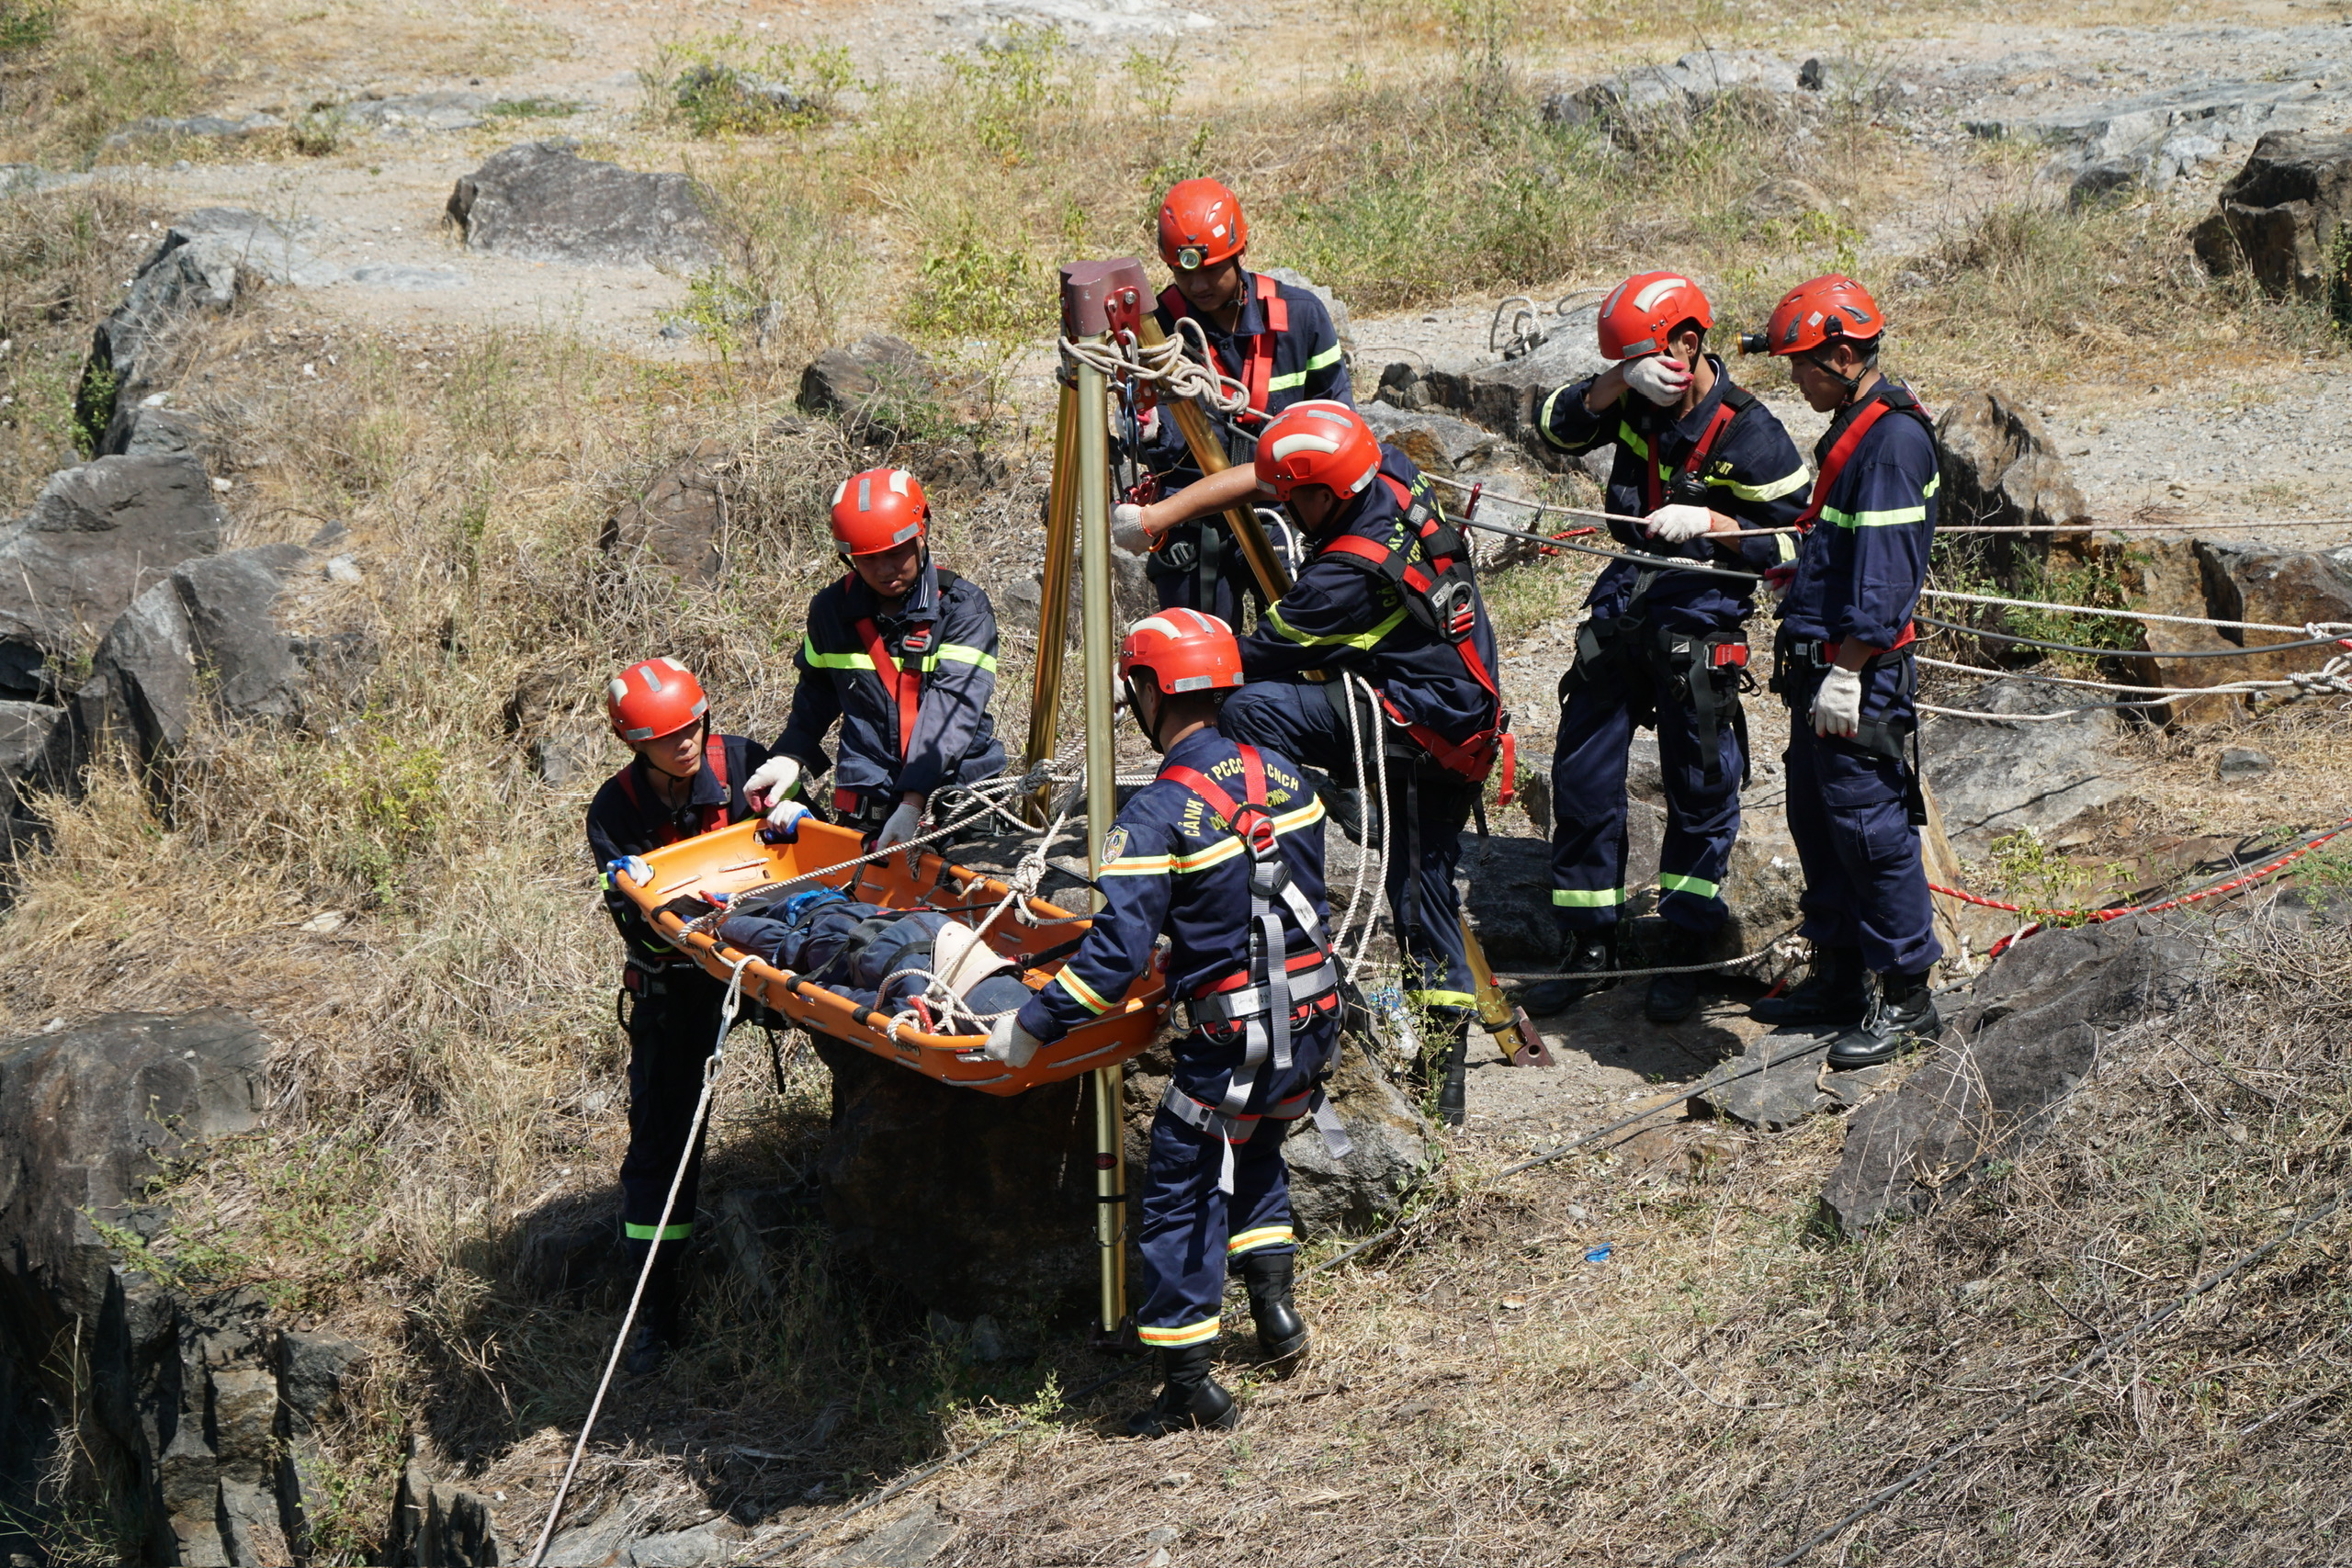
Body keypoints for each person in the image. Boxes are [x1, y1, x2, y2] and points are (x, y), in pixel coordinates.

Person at [983, 609, 1344, 1437]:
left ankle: (1188, 1384)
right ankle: (1276, 1314)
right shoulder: (1289, 778)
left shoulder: (1153, 814)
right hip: (1313, 1020)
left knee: (1184, 1183)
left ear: (1148, 692)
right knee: (1256, 1142)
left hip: (1232, 1037)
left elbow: (1111, 963)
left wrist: (1031, 1024)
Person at [1519, 272, 1813, 1023]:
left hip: (1701, 605)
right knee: (1582, 770)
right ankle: (1591, 942)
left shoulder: (1751, 433)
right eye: (1626, 363)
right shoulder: (1633, 399)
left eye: (1642, 357)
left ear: (1687, 342)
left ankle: (1684, 946)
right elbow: (1555, 427)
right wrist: (1617, 381)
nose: (1636, 373)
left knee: (1702, 780)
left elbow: (1801, 543)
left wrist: (1716, 526)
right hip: (1628, 592)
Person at [1206, 400, 1507, 1129]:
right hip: (1456, 705)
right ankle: (1445, 1078)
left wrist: (1165, 661)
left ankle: (1294, 833)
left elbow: (1252, 656)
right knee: (1422, 888)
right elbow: (1270, 475)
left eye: (1294, 497)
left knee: (1249, 711)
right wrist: (1160, 516)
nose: (1284, 506)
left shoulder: (1343, 575)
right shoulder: (1391, 473)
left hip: (1424, 733)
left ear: (1327, 492)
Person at [587, 658, 810, 1375]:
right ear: (634, 744)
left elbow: (809, 859)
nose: (684, 744)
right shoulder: (615, 811)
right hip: (678, 985)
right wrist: (660, 907)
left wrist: (799, 822)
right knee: (662, 1145)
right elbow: (643, 927)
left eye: (691, 727)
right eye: (665, 737)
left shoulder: (743, 764)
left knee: (862, 1035)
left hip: (767, 962)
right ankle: (655, 1311)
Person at [1745, 274, 1943, 1067]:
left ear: (1843, 355)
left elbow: (1888, 574)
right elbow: (1843, 541)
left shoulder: (1892, 444)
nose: (1796, 378)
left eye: (1802, 363)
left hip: (1859, 675)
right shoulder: (1854, 429)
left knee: (1870, 830)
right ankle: (1839, 973)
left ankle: (1908, 996)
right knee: (1820, 821)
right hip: (1822, 668)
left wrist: (1850, 669)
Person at [1117, 178, 1352, 629]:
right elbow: (1150, 442)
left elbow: (1337, 428)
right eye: (1183, 272)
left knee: (1302, 643)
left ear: (1239, 252)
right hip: (1192, 517)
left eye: (1212, 270)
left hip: (1286, 511)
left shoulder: (1300, 318)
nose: (1198, 284)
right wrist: (1145, 426)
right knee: (1196, 651)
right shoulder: (1155, 333)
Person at [744, 467, 1005, 851]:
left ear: (922, 533)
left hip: (957, 801)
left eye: (896, 553)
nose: (885, 571)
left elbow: (953, 709)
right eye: (868, 559)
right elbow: (816, 692)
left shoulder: (963, 609)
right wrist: (790, 755)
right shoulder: (830, 611)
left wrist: (913, 801)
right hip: (871, 803)